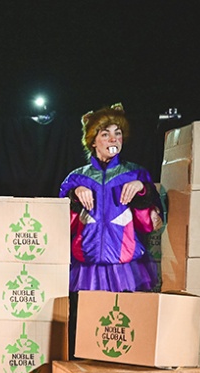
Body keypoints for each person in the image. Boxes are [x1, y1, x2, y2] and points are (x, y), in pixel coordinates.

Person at [58, 104, 162, 294]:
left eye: (118, 133)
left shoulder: (135, 173)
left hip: (124, 268)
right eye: (105, 134)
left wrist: (142, 189)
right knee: (88, 312)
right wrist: (75, 194)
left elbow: (149, 225)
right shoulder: (76, 178)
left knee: (123, 312)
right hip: (86, 268)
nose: (114, 139)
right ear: (93, 141)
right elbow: (61, 225)